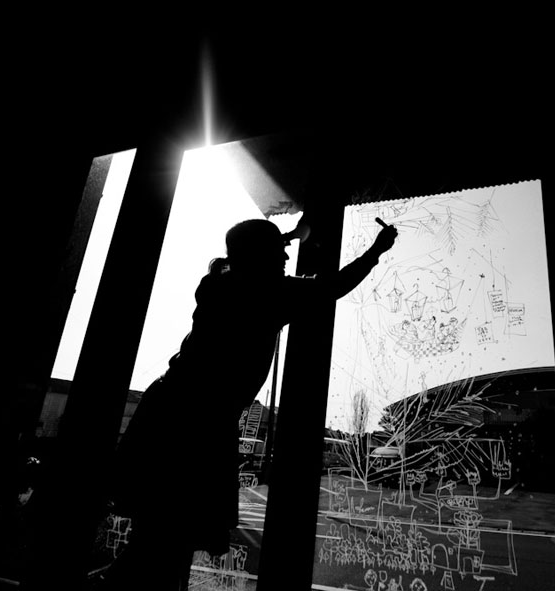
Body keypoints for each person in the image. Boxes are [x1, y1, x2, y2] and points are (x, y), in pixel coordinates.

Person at [103, 217, 397, 590]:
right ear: (260, 256)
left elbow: (246, 258)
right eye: (279, 251)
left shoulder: (218, 284)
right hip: (200, 424)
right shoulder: (267, 292)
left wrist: (286, 236)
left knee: (157, 534)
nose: (286, 256)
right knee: (168, 541)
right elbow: (332, 286)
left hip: (167, 411)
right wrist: (376, 250)